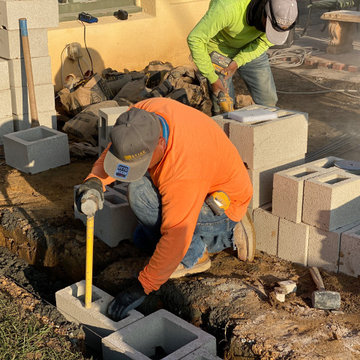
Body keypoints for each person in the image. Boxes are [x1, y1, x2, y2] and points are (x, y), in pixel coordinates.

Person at [75, 98, 253, 321]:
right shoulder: (140, 115)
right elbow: (120, 149)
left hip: (220, 204)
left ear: (159, 143)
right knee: (141, 226)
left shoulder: (183, 168)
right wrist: (95, 181)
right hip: (201, 183)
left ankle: (204, 248)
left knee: (160, 230)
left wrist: (143, 286)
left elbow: (177, 232)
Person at [187, 0, 298, 113]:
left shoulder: (283, 17)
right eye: (270, 28)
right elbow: (195, 38)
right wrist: (212, 78)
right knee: (224, 105)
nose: (272, 31)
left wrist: (238, 61)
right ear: (263, 11)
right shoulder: (227, 7)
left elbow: (265, 42)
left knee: (268, 100)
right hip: (219, 48)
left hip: (252, 47)